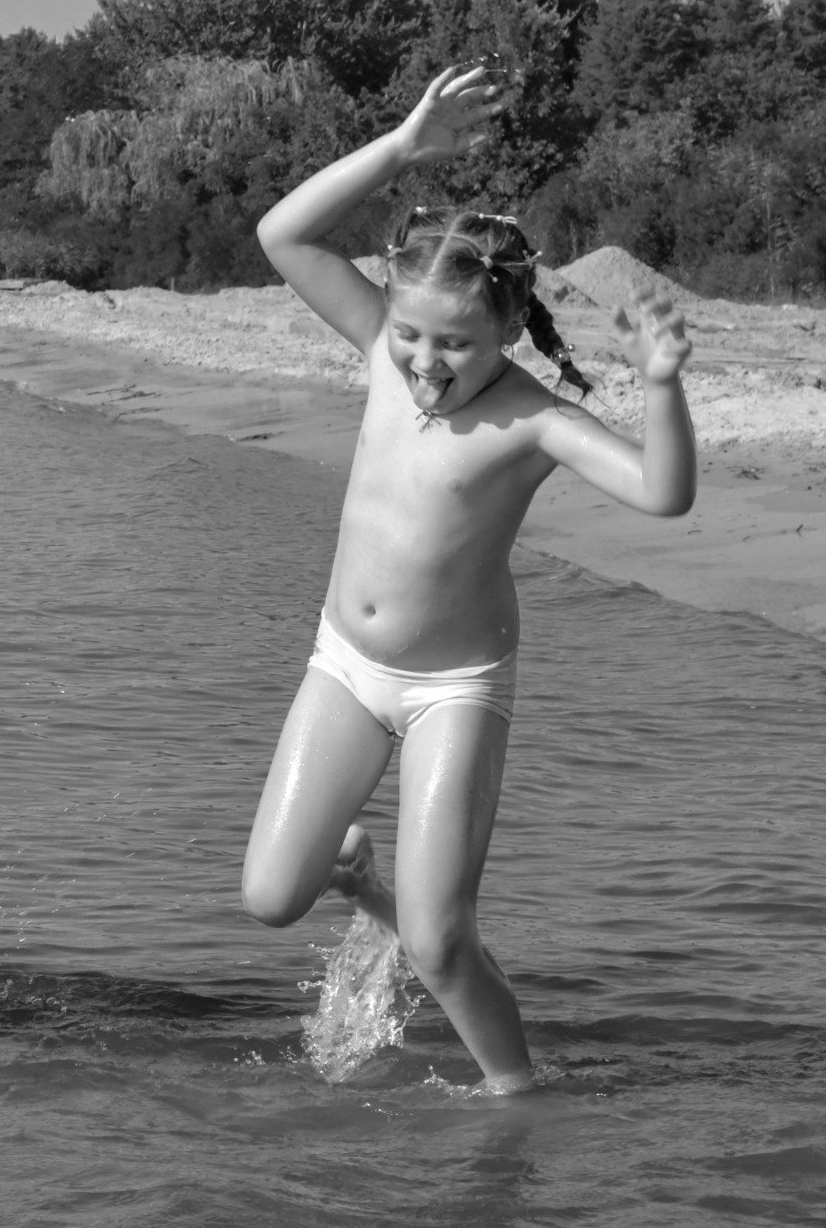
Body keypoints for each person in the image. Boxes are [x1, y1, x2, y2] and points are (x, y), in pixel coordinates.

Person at [242, 63, 696, 1092]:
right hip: (345, 665)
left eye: (456, 344)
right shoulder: (378, 345)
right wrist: (402, 147)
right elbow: (282, 235)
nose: (425, 363)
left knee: (443, 943)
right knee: (269, 897)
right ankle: (364, 882)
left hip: (455, 686)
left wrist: (662, 387)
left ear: (508, 328)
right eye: (412, 334)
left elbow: (662, 493)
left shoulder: (532, 419)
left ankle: (513, 1093)